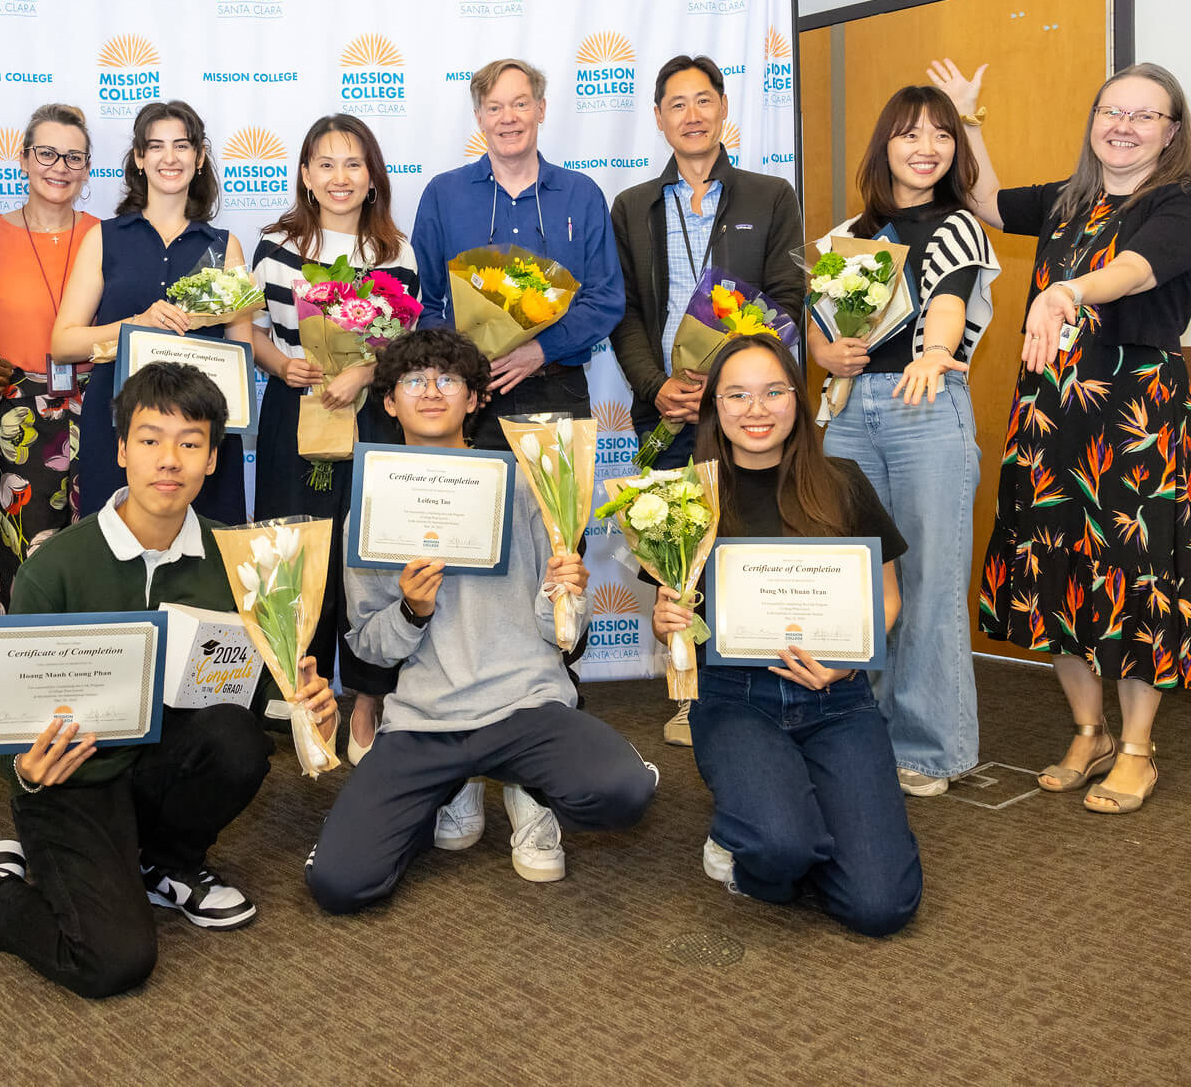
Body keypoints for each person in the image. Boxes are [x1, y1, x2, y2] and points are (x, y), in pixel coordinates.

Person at [0, 364, 337, 999]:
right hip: (73, 779)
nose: (169, 460)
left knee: (236, 738)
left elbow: (246, 697)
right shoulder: (56, 566)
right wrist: (26, 773)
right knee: (111, 962)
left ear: (213, 460)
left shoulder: (239, 566)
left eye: (191, 443)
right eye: (150, 440)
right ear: (121, 451)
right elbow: (12, 716)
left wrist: (305, 703)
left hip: (161, 771)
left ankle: (166, 864)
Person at [934, 58, 1191, 814]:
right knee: (1051, 562)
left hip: (1133, 413)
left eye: (1144, 115)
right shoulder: (1070, 202)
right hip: (1050, 413)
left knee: (1133, 573)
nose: (1123, 126)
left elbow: (1131, 272)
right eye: (1111, 112)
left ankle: (1137, 748)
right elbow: (986, 200)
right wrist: (967, 119)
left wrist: (1066, 289)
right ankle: (1088, 730)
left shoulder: (1183, 203)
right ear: (1094, 121)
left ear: (1171, 132)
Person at [307, 329, 659, 911]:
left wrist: (566, 595)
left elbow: (563, 638)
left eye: (449, 380)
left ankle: (530, 787)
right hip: (425, 721)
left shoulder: (527, 486)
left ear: (475, 399)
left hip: (525, 704)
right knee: (340, 885)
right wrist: (411, 612)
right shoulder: (370, 507)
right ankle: (449, 789)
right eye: (413, 380)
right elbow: (371, 647)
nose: (431, 392)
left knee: (621, 793)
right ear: (388, 401)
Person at [651, 333, 919, 937]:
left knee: (879, 908)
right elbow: (670, 613)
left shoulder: (842, 481)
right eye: (738, 394)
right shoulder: (685, 494)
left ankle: (804, 815)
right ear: (714, 405)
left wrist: (848, 661)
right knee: (780, 854)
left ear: (797, 400)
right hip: (733, 701)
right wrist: (667, 620)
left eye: (774, 392)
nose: (756, 409)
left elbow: (888, 596)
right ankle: (755, 841)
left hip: (838, 700)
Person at [610, 53, 807, 748]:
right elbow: (625, 312)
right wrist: (655, 386)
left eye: (703, 100)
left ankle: (754, 680)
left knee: (748, 539)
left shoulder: (769, 195)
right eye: (676, 104)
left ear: (725, 109)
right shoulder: (632, 205)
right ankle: (689, 687)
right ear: (659, 118)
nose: (691, 115)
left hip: (746, 406)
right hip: (666, 411)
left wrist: (730, 382)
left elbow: (786, 297)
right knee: (673, 548)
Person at [808, 85, 999, 796]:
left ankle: (930, 747)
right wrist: (830, 357)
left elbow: (949, 298)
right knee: (860, 578)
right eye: (910, 134)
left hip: (927, 405)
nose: (926, 148)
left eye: (941, 135)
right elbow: (826, 334)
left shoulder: (960, 225)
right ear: (883, 145)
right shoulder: (847, 237)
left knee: (930, 581)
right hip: (852, 412)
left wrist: (932, 351)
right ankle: (862, 728)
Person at [248, 114, 420, 763]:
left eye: (353, 164)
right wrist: (278, 362)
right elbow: (251, 327)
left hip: (371, 417)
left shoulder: (394, 252)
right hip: (294, 414)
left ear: (373, 176)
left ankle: (370, 698)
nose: (340, 177)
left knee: (365, 557)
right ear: (304, 175)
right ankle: (303, 691)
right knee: (295, 552)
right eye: (325, 164)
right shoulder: (273, 246)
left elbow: (404, 345)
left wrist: (363, 370)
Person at [52, 99, 251, 526]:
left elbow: (242, 355)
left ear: (199, 158)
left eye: (182, 146)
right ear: (139, 159)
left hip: (200, 432)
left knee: (205, 560)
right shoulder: (103, 238)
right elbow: (63, 343)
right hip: (118, 428)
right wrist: (134, 326)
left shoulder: (224, 247)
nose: (169, 157)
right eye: (155, 146)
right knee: (110, 559)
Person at [410, 59, 624, 452]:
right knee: (469, 513)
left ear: (541, 109)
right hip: (469, 396)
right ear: (479, 117)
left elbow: (606, 299)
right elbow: (421, 301)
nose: (508, 118)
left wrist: (540, 350)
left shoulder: (581, 194)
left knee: (556, 515)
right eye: (494, 107)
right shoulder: (444, 195)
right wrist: (461, 361)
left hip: (558, 388)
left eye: (521, 104)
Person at [0, 102, 101, 609]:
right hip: (19, 410)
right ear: (23, 159)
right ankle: (25, 667)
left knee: (100, 545)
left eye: (74, 157)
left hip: (97, 403)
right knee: (27, 554)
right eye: (46, 153)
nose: (59, 167)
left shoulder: (105, 236)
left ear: (89, 168)